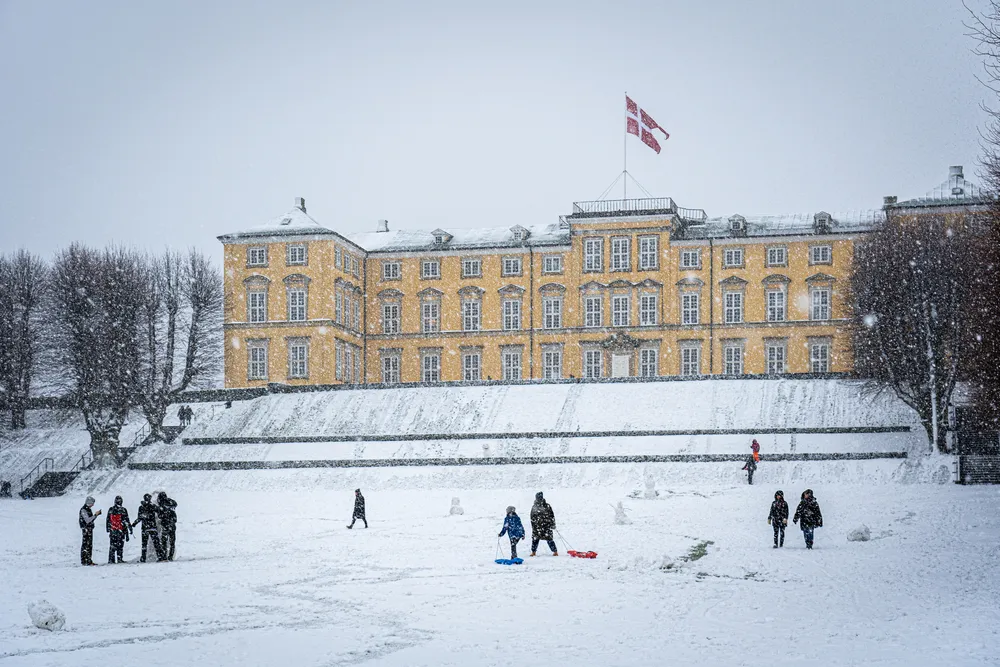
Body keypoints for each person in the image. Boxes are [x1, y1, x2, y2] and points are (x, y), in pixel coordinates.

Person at [132, 493, 166, 562]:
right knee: (157, 544)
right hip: (152, 527)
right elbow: (160, 511)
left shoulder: (141, 507)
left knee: (144, 544)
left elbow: (139, 517)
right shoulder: (152, 506)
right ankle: (160, 557)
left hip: (145, 528)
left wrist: (134, 524)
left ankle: (143, 558)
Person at [529, 492, 558, 556]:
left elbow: (551, 515)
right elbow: (532, 517)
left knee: (549, 539)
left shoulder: (547, 506)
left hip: (546, 525)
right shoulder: (534, 507)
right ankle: (533, 552)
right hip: (537, 526)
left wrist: (553, 524)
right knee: (535, 539)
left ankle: (555, 551)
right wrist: (533, 526)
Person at [106, 496, 132, 563]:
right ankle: (119, 559)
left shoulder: (111, 509)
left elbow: (108, 520)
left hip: (113, 530)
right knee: (120, 545)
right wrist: (130, 528)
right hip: (121, 530)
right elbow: (127, 520)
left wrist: (108, 529)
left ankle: (111, 559)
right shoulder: (123, 510)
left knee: (112, 545)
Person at [79, 496, 101, 565]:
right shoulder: (84, 510)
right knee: (86, 545)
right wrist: (95, 515)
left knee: (89, 545)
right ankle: (85, 560)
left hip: (89, 529)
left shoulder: (87, 509)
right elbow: (88, 520)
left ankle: (88, 560)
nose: (93, 505)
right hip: (86, 530)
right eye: (92, 503)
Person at [157, 491, 178, 561]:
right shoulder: (171, 504)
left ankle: (165, 556)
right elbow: (175, 504)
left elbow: (160, 516)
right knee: (172, 542)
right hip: (171, 525)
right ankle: (170, 556)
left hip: (165, 525)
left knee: (164, 542)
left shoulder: (161, 506)